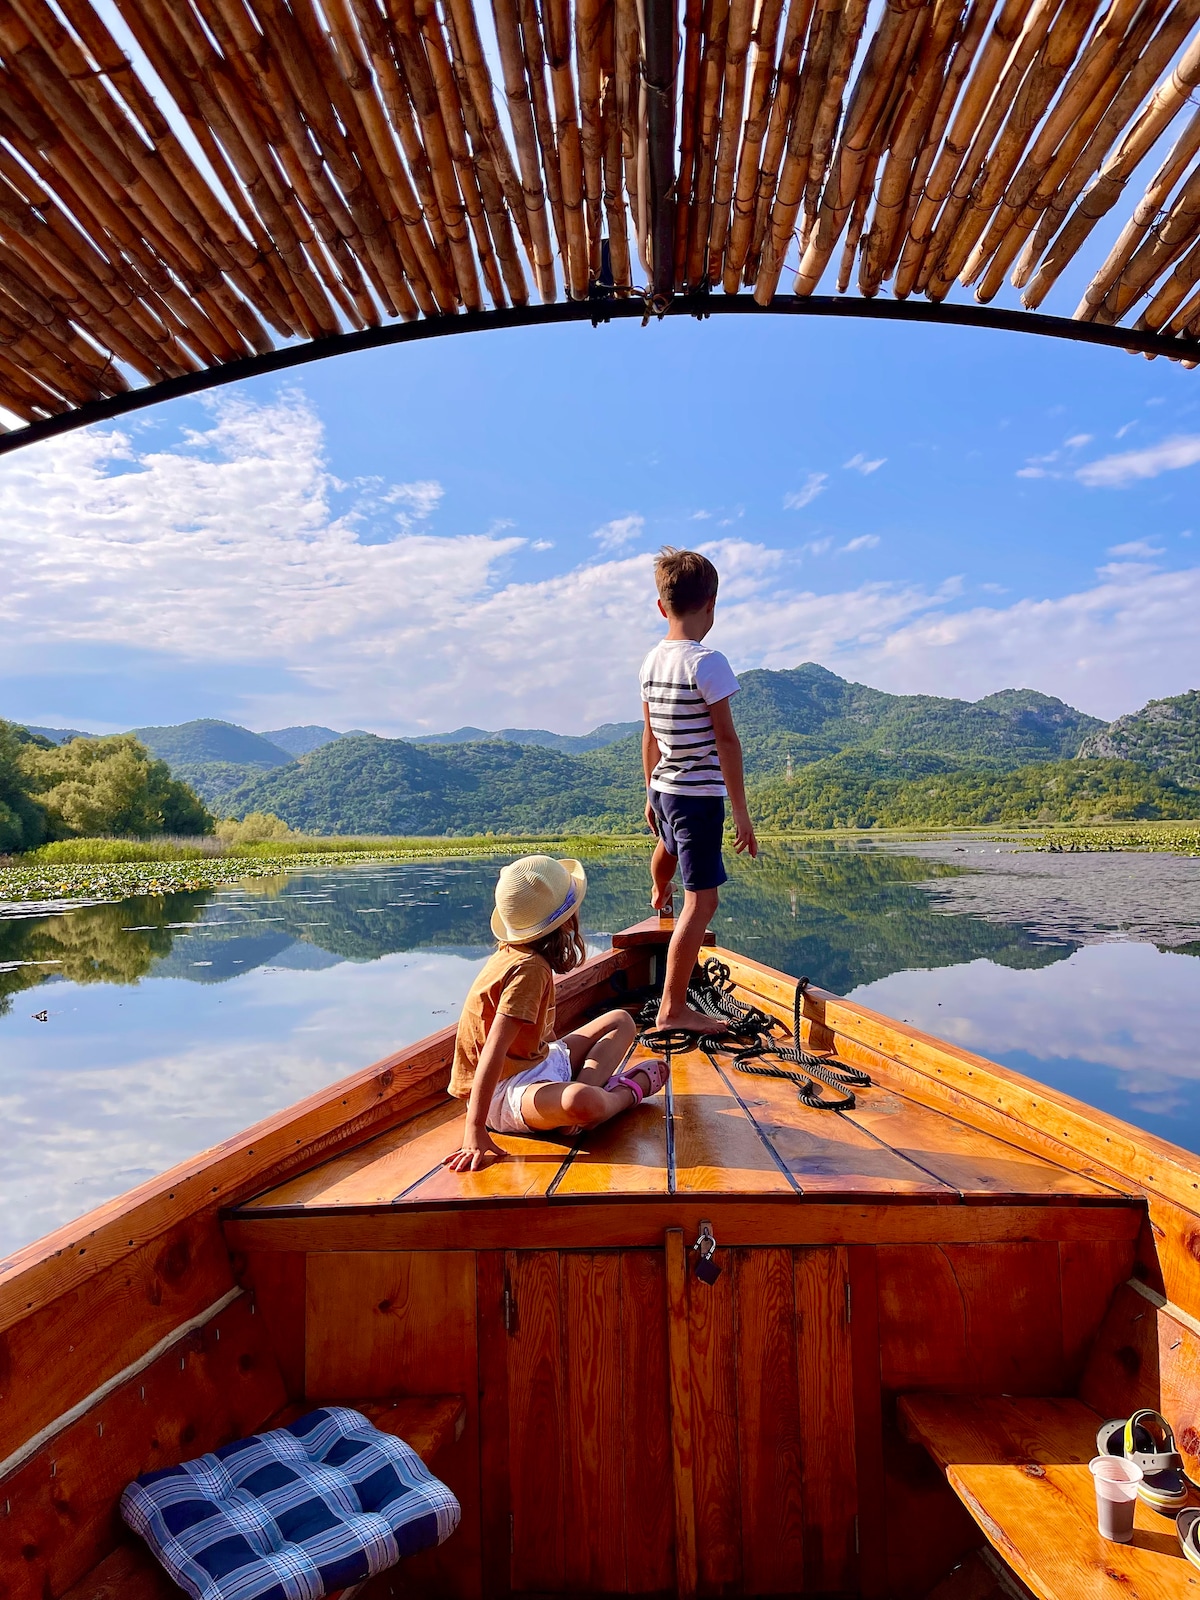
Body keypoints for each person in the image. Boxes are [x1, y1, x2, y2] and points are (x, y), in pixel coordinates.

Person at [443, 854, 668, 1172]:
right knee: (582, 1102)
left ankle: (579, 1106)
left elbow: (540, 1035)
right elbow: (493, 1051)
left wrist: (559, 1060)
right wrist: (475, 1129)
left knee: (620, 1020)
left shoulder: (519, 954)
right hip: (503, 1093)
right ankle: (623, 1095)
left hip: (535, 1062)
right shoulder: (528, 969)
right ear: (565, 919)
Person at [641, 547, 758, 1033]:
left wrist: (649, 789)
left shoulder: (651, 662)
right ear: (711, 605)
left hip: (665, 789)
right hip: (698, 797)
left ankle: (658, 886)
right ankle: (673, 1009)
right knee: (702, 903)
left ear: (661, 606)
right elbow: (727, 741)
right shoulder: (709, 663)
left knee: (667, 844)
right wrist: (742, 815)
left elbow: (649, 734)